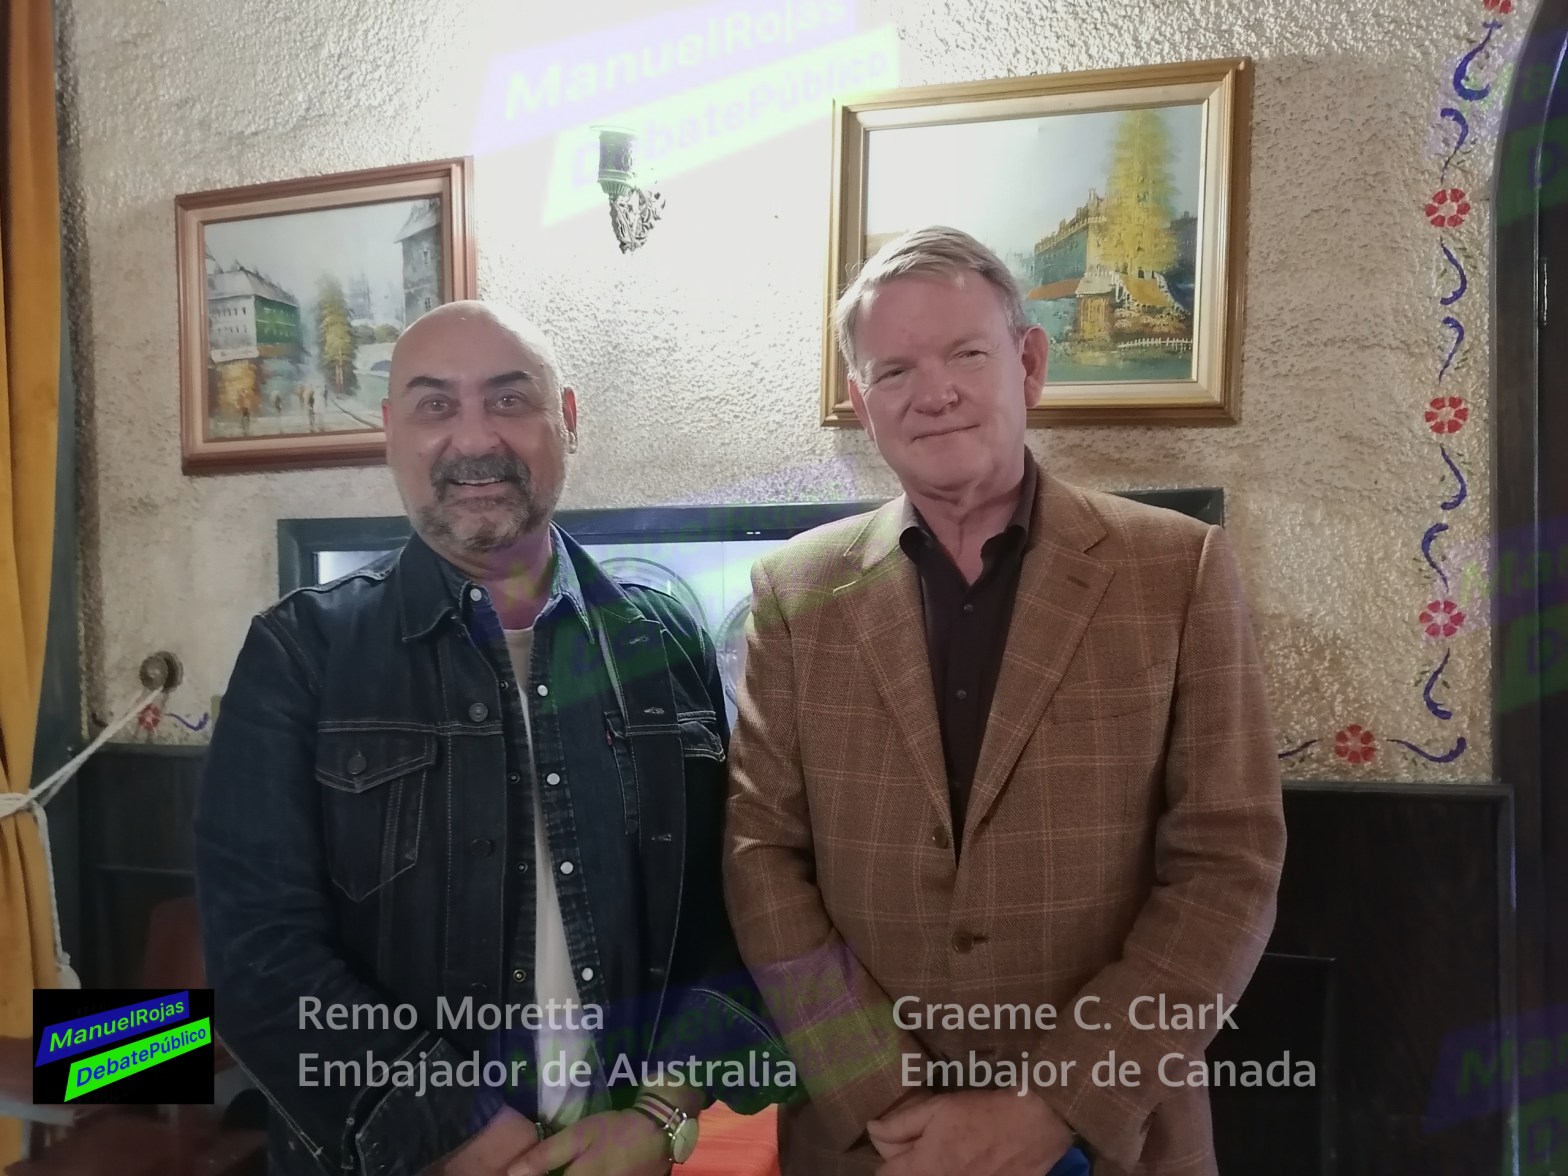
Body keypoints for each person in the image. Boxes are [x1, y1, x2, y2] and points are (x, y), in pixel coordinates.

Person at [723, 227, 1286, 1175]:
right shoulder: (793, 589)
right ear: (862, 401)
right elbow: (761, 856)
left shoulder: (1175, 569)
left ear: (1029, 363)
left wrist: (1056, 1105)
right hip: (874, 1144)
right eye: (894, 370)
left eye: (966, 354)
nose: (934, 392)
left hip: (1113, 1136)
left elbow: (1228, 864)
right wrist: (886, 1095)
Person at [196, 301, 786, 1176]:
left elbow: (732, 912)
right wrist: (460, 1131)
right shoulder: (300, 653)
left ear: (568, 419)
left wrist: (661, 1115)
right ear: (390, 430)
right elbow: (258, 957)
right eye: (436, 405)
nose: (475, 438)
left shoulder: (663, 641)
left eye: (510, 399)